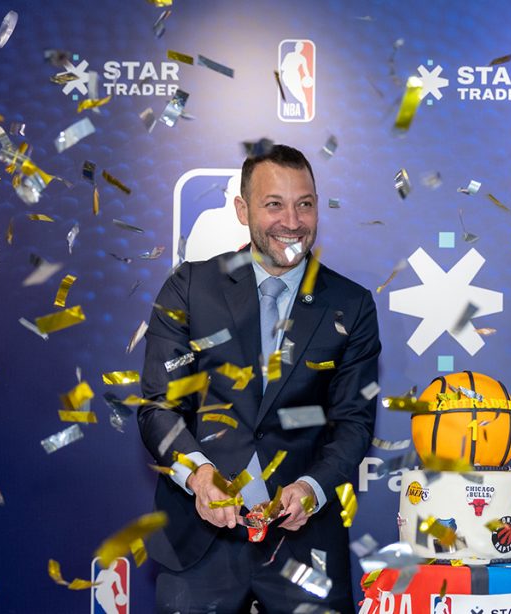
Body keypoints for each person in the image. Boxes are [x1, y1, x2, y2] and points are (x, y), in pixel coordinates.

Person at [139, 144, 381, 613]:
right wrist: (200, 475)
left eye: (304, 204)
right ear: (242, 210)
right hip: (198, 541)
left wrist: (311, 488)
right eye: (274, 204)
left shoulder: (350, 305)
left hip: (306, 543)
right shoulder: (189, 287)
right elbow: (159, 408)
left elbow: (353, 422)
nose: (292, 221)